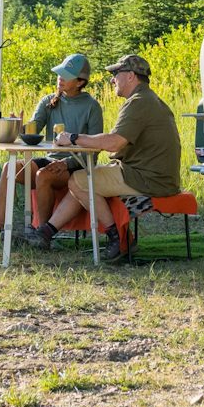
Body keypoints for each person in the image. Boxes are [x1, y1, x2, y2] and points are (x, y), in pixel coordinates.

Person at [22, 53, 182, 262]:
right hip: (152, 174)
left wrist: (72, 138)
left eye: (116, 73)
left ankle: (118, 238)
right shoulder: (147, 99)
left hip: (148, 178)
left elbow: (113, 143)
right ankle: (46, 232)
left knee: (80, 180)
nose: (112, 79)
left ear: (131, 76)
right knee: (85, 178)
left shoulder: (139, 102)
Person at [0, 53, 103, 248]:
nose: (60, 77)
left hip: (75, 166)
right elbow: (32, 130)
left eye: (66, 75)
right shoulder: (49, 101)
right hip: (51, 160)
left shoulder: (92, 107)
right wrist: (18, 126)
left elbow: (95, 150)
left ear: (80, 82)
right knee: (8, 168)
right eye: (59, 73)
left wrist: (67, 163)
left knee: (43, 175)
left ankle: (41, 235)